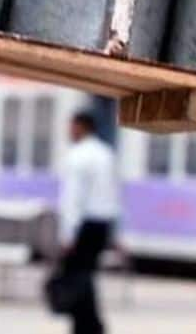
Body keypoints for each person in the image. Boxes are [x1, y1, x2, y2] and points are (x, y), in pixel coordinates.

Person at [52, 110, 120, 334]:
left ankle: (88, 326)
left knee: (79, 277)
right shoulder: (106, 154)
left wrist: (68, 234)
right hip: (102, 224)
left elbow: (73, 199)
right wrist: (117, 233)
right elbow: (114, 194)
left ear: (81, 127)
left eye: (71, 126)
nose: (69, 132)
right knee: (86, 275)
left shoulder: (78, 156)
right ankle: (88, 325)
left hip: (84, 225)